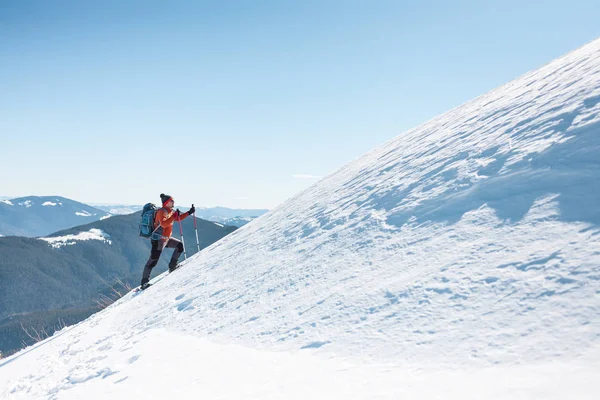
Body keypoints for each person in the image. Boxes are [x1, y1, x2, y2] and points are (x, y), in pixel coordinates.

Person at [140, 193, 195, 290]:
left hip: (166, 238)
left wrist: (189, 212)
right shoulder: (162, 212)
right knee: (153, 261)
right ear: (166, 203)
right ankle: (144, 283)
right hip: (158, 240)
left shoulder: (170, 211)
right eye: (171, 201)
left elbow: (178, 218)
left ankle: (172, 266)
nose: (173, 202)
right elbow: (164, 224)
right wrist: (174, 216)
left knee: (180, 246)